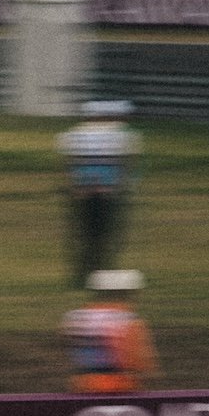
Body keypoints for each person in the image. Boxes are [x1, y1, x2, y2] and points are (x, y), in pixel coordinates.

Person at [56, 100, 139, 287]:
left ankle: (81, 275)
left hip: (81, 193)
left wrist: (73, 187)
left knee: (83, 235)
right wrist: (125, 186)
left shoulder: (73, 135)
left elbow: (67, 164)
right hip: (108, 193)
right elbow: (126, 164)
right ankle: (100, 273)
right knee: (104, 236)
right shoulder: (120, 136)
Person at [63, 269, 157, 394]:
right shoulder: (128, 320)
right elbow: (140, 363)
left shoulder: (74, 318)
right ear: (128, 293)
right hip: (121, 390)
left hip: (81, 388)